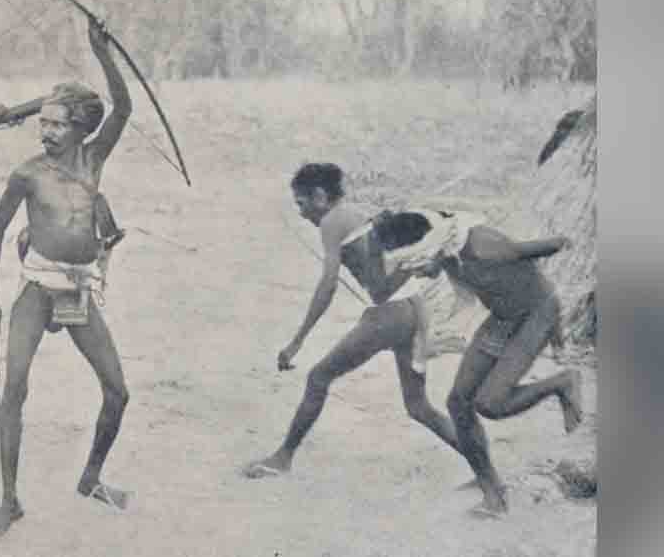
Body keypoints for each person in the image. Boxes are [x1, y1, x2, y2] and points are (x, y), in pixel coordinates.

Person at [0, 17, 131, 536]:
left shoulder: (94, 158)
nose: (46, 132)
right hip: (39, 288)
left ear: (81, 129)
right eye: (42, 123)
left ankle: (91, 478)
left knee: (118, 391)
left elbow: (124, 107)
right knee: (14, 389)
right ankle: (9, 499)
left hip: (78, 289)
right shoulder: (27, 173)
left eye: (58, 124)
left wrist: (101, 51)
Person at [242, 163, 468, 482]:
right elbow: (388, 278)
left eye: (301, 203)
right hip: (413, 309)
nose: (301, 213)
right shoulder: (355, 215)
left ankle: (282, 458)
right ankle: (484, 468)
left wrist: (297, 341)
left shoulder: (332, 221)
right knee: (418, 407)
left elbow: (328, 284)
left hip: (391, 315)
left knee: (318, 377)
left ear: (319, 196)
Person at [387, 209, 584, 517]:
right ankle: (492, 490)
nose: (416, 275)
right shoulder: (450, 253)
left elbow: (555, 247)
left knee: (491, 404)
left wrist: (557, 331)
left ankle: (561, 382)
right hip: (503, 319)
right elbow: (464, 302)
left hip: (536, 314)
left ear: (430, 249)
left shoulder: (483, 246)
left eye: (417, 266)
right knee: (458, 402)